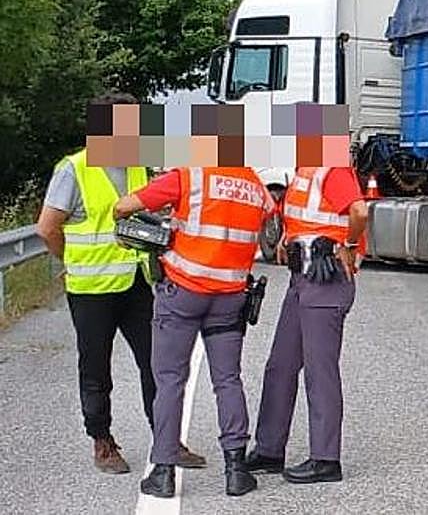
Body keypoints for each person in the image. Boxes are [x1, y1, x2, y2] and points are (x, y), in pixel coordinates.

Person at [34, 92, 205, 475]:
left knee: (157, 364)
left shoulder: (136, 168)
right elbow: (47, 228)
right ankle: (103, 442)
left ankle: (167, 440)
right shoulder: (73, 168)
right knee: (96, 369)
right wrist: (71, 260)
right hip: (91, 290)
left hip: (136, 284)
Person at [113, 165, 275, 498]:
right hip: (230, 295)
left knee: (170, 381)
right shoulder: (254, 184)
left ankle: (163, 472)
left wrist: (165, 220)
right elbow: (271, 220)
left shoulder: (189, 176)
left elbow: (124, 207)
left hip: (183, 294)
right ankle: (236, 471)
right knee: (228, 380)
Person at [244, 166, 368, 484]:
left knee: (319, 372)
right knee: (280, 366)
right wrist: (289, 235)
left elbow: (359, 212)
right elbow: (306, 214)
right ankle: (270, 450)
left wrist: (349, 246)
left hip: (326, 281)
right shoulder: (304, 171)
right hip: (302, 279)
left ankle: (326, 459)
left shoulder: (333, 168)